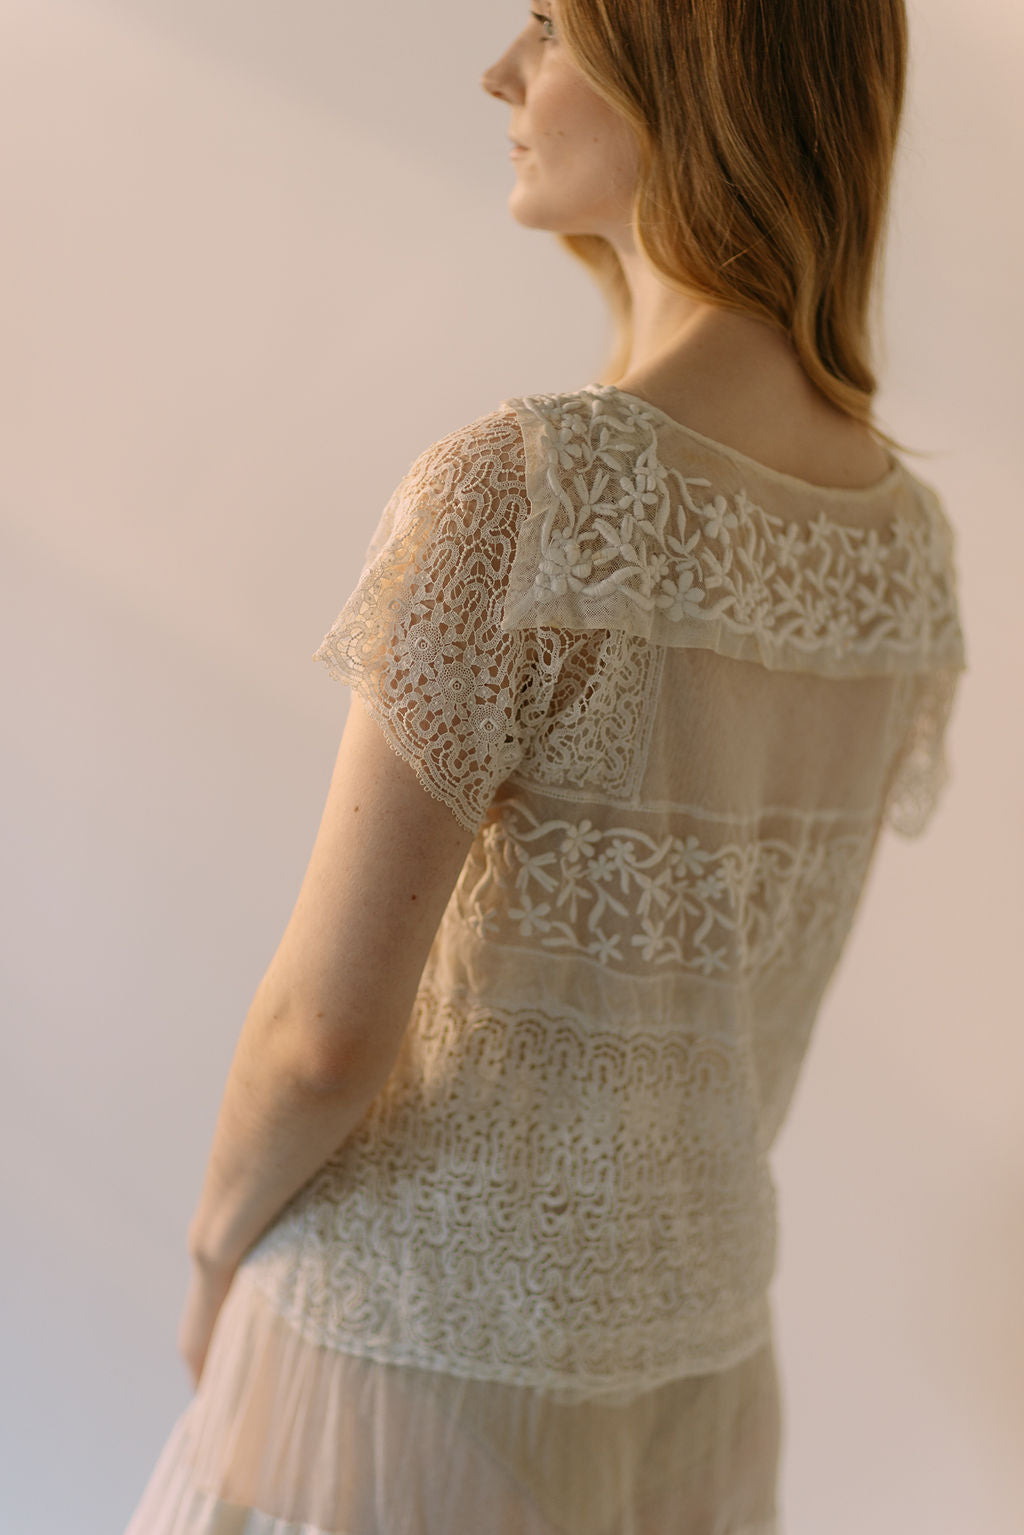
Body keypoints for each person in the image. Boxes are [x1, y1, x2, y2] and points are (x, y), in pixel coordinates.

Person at [123, 1, 968, 1531]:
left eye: (546, 24)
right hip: (698, 1372)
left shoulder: (525, 489)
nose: (500, 71)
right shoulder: (903, 548)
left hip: (411, 1361)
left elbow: (323, 1035)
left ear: (691, 58)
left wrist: (206, 1255)